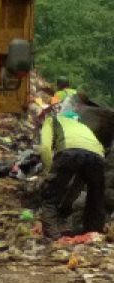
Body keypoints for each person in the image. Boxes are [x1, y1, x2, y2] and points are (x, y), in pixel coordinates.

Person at [38, 88, 108, 237]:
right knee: (95, 198)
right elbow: (78, 181)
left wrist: (48, 172)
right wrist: (67, 204)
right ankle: (93, 232)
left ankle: (53, 236)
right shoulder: (82, 126)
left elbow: (45, 147)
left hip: (69, 152)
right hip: (97, 156)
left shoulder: (51, 120)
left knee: (50, 197)